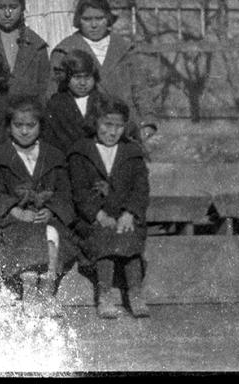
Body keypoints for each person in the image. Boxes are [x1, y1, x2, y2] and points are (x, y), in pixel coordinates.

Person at [0, 96, 77, 316]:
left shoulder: (53, 156)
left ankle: (47, 292)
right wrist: (14, 210)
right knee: (25, 234)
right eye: (18, 126)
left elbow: (65, 192)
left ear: (40, 127)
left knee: (52, 233)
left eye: (31, 125)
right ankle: (29, 290)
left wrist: (52, 209)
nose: (24, 131)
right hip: (16, 219)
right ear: (9, 127)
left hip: (48, 217)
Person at [68, 99, 151, 319]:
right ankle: (104, 294)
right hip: (94, 219)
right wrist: (98, 214)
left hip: (126, 217)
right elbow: (80, 191)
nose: (112, 132)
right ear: (95, 122)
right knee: (104, 236)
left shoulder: (131, 152)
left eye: (119, 126)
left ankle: (135, 293)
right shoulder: (81, 152)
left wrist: (129, 214)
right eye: (107, 125)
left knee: (129, 236)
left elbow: (140, 189)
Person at [51, 0, 156, 143]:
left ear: (108, 19)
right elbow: (54, 94)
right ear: (78, 20)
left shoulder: (125, 48)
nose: (94, 25)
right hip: (81, 130)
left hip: (123, 127)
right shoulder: (65, 50)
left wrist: (147, 121)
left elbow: (140, 88)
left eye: (99, 18)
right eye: (87, 19)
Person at [42, 49, 110, 153]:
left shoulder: (103, 101)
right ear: (66, 78)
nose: (82, 83)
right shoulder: (56, 104)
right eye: (77, 77)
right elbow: (50, 140)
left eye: (87, 77)